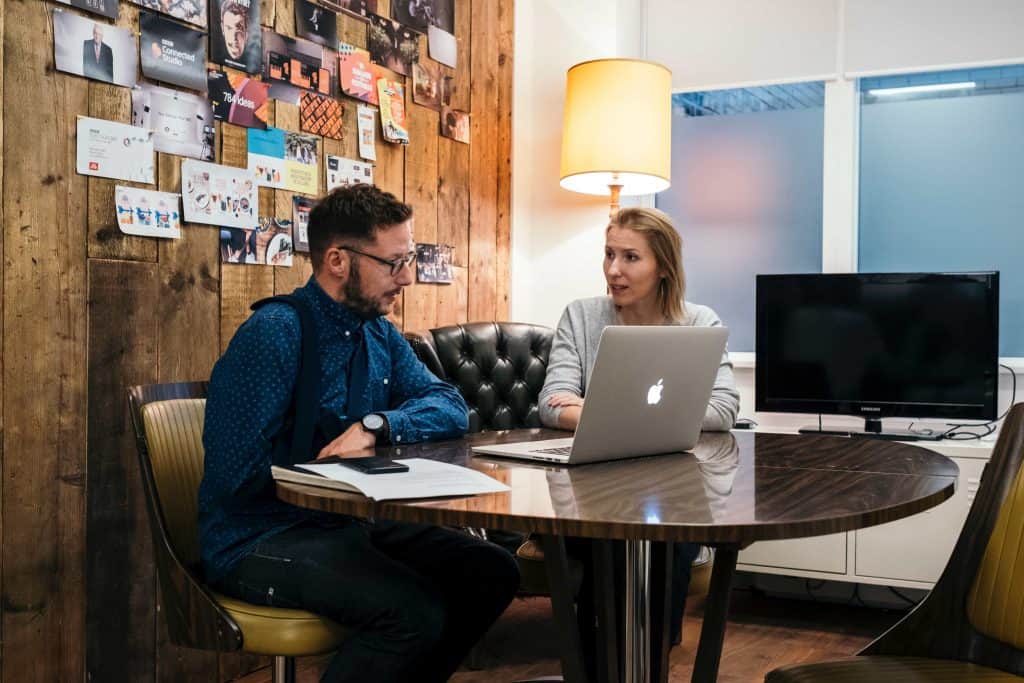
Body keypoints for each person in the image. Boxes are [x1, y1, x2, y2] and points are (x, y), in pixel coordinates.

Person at [199, 184, 519, 683]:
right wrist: (320, 476)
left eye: (409, 258)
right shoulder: (273, 334)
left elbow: (450, 406)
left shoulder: (377, 331)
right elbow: (231, 479)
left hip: (345, 524)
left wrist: (378, 427)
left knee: (493, 570)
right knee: (411, 612)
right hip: (257, 536)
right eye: (394, 263)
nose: (407, 277)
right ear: (337, 261)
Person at [538, 206, 740, 657]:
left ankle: (648, 659)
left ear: (663, 265)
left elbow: (724, 408)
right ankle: (601, 662)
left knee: (667, 541)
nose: (614, 270)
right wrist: (641, 416)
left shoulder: (698, 322)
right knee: (605, 545)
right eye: (609, 254)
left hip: (673, 490)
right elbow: (553, 403)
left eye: (630, 257)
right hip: (590, 489)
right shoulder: (582, 316)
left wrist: (600, 411)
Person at [215, 0, 257, 69]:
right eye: (229, 28)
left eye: (239, 28)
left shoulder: (253, 63)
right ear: (222, 29)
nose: (233, 37)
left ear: (247, 32)